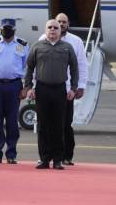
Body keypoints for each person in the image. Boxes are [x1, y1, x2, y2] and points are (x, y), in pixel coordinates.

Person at [25, 19, 78, 170]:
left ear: (60, 31)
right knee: (43, 125)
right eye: (50, 27)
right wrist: (28, 87)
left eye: (56, 28)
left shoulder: (67, 48)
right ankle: (44, 159)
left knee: (59, 125)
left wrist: (73, 88)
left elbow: (75, 68)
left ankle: (58, 160)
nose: (53, 30)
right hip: (42, 89)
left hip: (60, 90)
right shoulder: (37, 46)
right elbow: (29, 68)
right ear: (45, 30)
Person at [39, 13, 87, 166]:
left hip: (67, 90)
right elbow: (34, 66)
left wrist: (80, 86)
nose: (60, 24)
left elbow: (80, 65)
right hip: (46, 88)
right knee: (46, 125)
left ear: (67, 24)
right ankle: (47, 157)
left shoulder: (75, 42)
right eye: (58, 22)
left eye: (63, 22)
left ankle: (66, 156)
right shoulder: (42, 40)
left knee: (65, 124)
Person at [0, 18, 29, 164]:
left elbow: (28, 68)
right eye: (4, 28)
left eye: (9, 28)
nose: (6, 31)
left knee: (12, 121)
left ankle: (11, 153)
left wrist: (26, 87)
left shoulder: (22, 45)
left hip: (14, 85)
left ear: (14, 30)